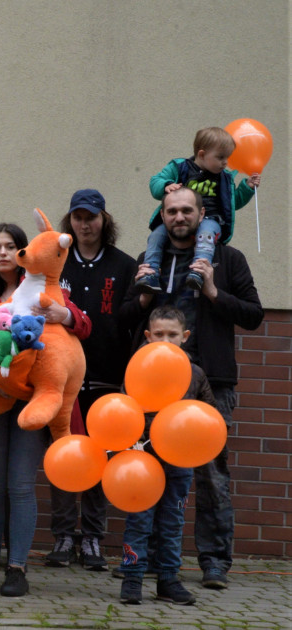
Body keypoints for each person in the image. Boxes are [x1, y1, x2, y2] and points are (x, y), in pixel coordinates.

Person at [121, 187, 264, 589]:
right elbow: (123, 318)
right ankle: (151, 560)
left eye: (187, 210)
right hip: (153, 388)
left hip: (208, 383)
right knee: (153, 469)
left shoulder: (228, 259)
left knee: (211, 475)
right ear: (162, 216)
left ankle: (214, 561)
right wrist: (142, 299)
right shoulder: (149, 259)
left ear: (202, 215)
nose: (179, 217)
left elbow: (253, 315)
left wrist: (215, 292)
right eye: (171, 211)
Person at [0, 224, 90, 597]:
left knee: (20, 484)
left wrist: (65, 316)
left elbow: (82, 325)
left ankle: (17, 568)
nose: (2, 253)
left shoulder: (41, 286)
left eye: (10, 246)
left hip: (36, 400)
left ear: (22, 253)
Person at [47, 189, 137, 570]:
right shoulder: (57, 262)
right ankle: (64, 536)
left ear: (104, 220)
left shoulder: (124, 265)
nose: (85, 225)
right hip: (63, 380)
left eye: (92, 217)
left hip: (106, 379)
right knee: (64, 456)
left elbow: (132, 323)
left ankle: (93, 539)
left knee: (101, 458)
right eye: (78, 218)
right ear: (70, 221)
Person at [118, 305, 210, 606]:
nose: (166, 341)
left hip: (180, 461)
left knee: (173, 522)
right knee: (139, 520)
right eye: (159, 334)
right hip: (143, 459)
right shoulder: (138, 369)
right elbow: (124, 411)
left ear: (185, 336)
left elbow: (209, 414)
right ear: (148, 336)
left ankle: (168, 580)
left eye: (173, 334)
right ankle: (132, 579)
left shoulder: (195, 374)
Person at [136, 126, 260, 294]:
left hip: (211, 218)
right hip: (184, 220)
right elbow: (155, 181)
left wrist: (247, 188)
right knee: (156, 236)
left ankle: (198, 272)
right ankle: (150, 273)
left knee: (206, 236)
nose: (225, 162)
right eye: (220, 157)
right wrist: (166, 185)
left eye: (227, 158)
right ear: (202, 154)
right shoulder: (180, 167)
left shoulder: (224, 178)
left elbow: (232, 203)